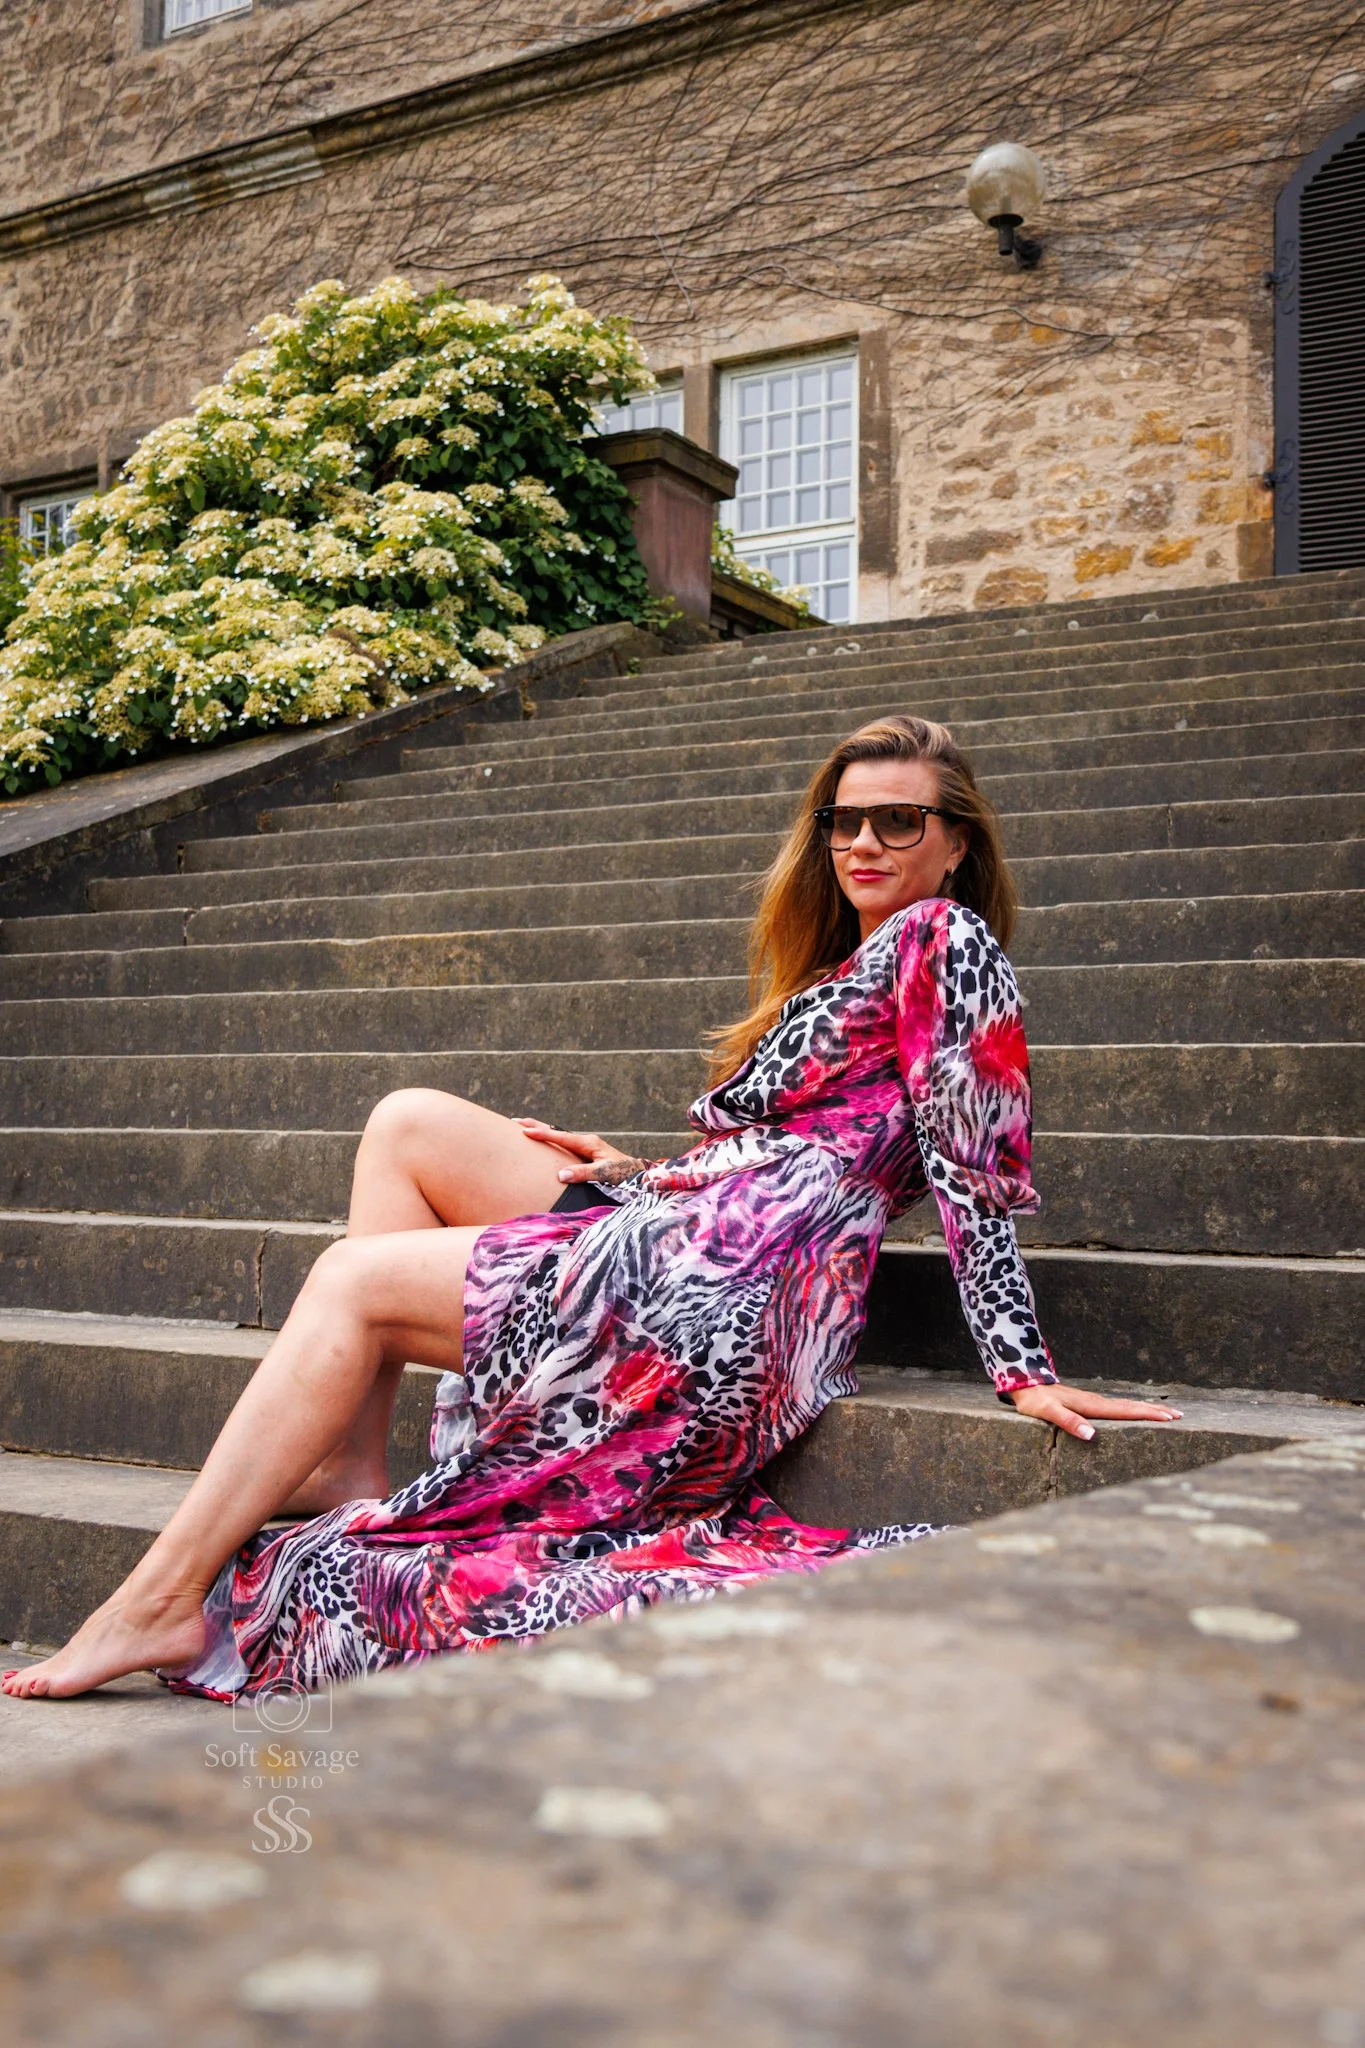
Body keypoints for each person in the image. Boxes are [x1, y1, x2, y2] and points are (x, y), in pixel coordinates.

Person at [3, 714, 1180, 1702]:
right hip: (702, 1216)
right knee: (406, 1122)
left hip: (746, 1285)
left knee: (350, 1282)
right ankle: (351, 1468)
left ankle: (156, 1598)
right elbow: (783, 1139)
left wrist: (1021, 1366)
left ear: (958, 841)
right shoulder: (850, 959)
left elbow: (967, 1168)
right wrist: (641, 1169)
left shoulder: (950, 939)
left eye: (898, 820)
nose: (864, 841)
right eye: (845, 819)